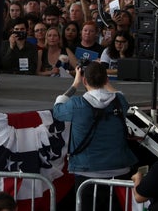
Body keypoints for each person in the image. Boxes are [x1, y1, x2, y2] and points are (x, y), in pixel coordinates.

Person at [52, 61, 137, 211]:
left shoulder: (76, 104)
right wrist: (104, 80)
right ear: (106, 80)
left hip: (87, 171)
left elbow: (58, 109)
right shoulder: (120, 102)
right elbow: (119, 95)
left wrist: (75, 83)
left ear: (85, 80)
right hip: (119, 171)